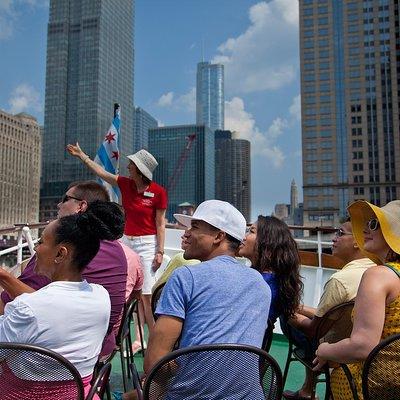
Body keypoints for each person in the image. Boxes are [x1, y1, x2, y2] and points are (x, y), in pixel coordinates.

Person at [143, 200, 271, 399]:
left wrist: (186, 363)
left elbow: (154, 362)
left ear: (219, 236)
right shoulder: (261, 284)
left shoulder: (185, 277)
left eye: (194, 227)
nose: (185, 233)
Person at [0, 201, 123, 397]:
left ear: (60, 253)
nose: (36, 249)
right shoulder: (101, 297)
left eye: (40, 242)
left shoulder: (27, 308)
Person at [0, 181, 128, 356]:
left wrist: (4, 277)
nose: (59, 204)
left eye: (65, 199)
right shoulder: (115, 252)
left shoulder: (58, 252)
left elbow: (13, 305)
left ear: (81, 206)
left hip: (44, 355)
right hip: (92, 353)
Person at [67, 144, 167, 354]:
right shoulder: (125, 184)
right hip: (125, 241)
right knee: (129, 293)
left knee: (146, 294)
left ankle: (157, 343)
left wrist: (160, 251)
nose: (128, 167)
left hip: (148, 243)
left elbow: (160, 223)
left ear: (139, 169)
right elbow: (102, 173)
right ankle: (138, 338)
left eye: (131, 164)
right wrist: (82, 155)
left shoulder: (158, 193)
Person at [313, 200, 400, 400]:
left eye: (374, 224)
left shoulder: (378, 276)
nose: (365, 229)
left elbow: (362, 346)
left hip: (377, 386)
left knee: (337, 372)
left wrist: (325, 350)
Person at [282, 219, 375, 400]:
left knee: (288, 323)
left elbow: (314, 329)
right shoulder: (378, 271)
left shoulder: (340, 280)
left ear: (357, 241)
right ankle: (307, 390)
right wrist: (299, 308)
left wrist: (287, 312)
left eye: (340, 233)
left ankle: (308, 390)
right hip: (358, 341)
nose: (333, 238)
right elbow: (333, 314)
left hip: (334, 349)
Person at [238, 215, 303, 324]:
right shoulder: (276, 279)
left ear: (267, 242)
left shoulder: (261, 283)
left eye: (251, 232)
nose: (244, 237)